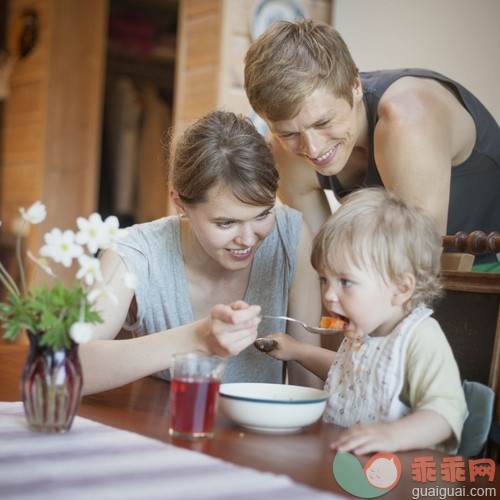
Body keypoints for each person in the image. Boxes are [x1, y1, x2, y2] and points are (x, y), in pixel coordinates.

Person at [79, 110, 322, 395]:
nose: (247, 239)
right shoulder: (134, 254)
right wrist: (198, 337)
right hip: (168, 431)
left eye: (262, 214)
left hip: (260, 436)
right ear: (179, 202)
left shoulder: (290, 237)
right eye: (225, 223)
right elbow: (68, 370)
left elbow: (308, 386)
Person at [244, 19, 500, 270]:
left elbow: (418, 264)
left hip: (487, 265)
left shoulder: (408, 120)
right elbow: (321, 264)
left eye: (323, 122)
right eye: (288, 134)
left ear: (355, 86)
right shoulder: (283, 153)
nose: (312, 148)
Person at [262, 188, 467, 455]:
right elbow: (348, 374)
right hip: (347, 466)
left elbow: (446, 411)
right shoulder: (363, 330)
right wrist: (296, 351)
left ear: (400, 288)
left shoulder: (419, 337)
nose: (329, 295)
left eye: (345, 282)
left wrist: (392, 435)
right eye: (324, 279)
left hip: (399, 476)